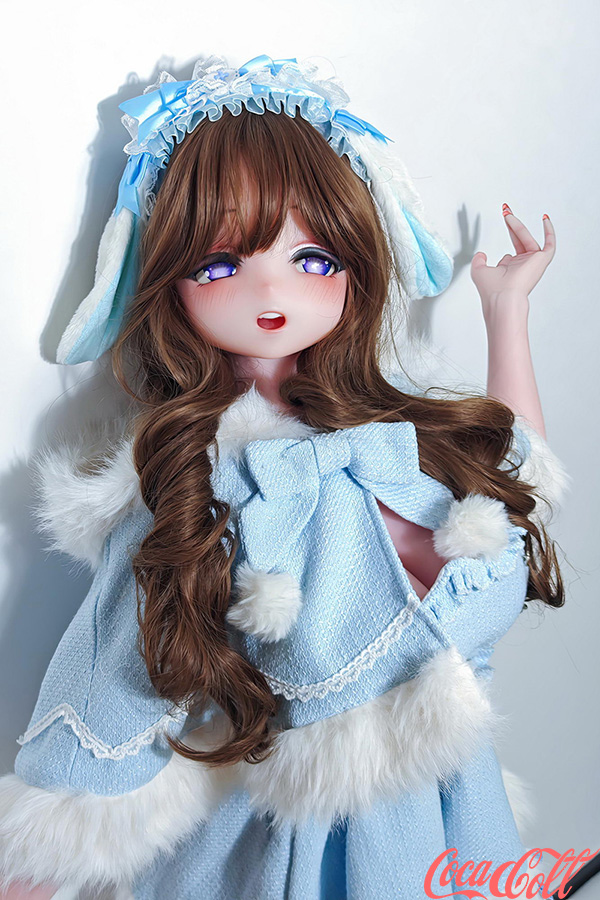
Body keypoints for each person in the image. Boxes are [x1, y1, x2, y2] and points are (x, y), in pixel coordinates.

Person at [0, 54, 569, 899]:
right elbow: (111, 682)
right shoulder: (198, 483)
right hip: (306, 859)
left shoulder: (397, 439)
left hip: (455, 835)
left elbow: (518, 471)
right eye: (220, 264)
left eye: (313, 256)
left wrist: (506, 311)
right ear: (169, 282)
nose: (271, 289)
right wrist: (36, 867)